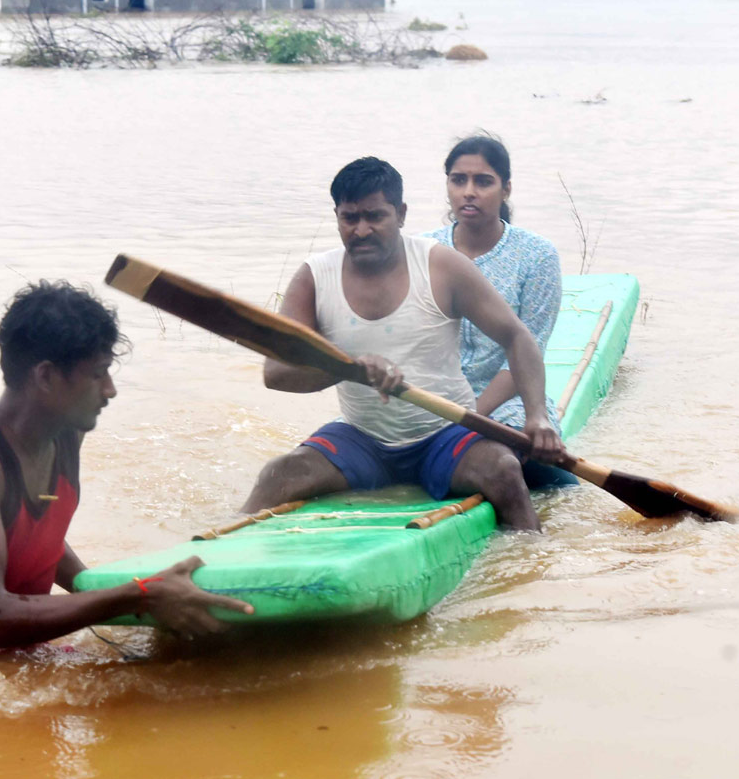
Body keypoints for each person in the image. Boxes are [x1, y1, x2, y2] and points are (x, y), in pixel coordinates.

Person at [0, 280, 252, 656]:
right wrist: (139, 595)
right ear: (45, 377)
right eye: (98, 373)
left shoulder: (66, 432)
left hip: (20, 658)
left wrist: (94, 590)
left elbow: (30, 536)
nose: (110, 390)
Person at [239, 157, 564, 531]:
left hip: (444, 433)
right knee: (277, 475)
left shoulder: (442, 266)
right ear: (337, 216)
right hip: (362, 438)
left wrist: (536, 415)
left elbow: (517, 337)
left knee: (505, 471)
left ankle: (531, 563)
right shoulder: (314, 277)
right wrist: (347, 368)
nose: (361, 230)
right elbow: (276, 374)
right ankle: (215, 553)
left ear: (402, 214)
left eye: (375, 216)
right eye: (349, 218)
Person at [425, 134, 576, 488]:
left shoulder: (536, 256)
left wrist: (471, 417)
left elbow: (526, 349)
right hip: (434, 399)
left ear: (506, 189)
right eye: (458, 180)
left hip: (508, 403)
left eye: (483, 181)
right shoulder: (423, 250)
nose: (469, 191)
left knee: (552, 480)